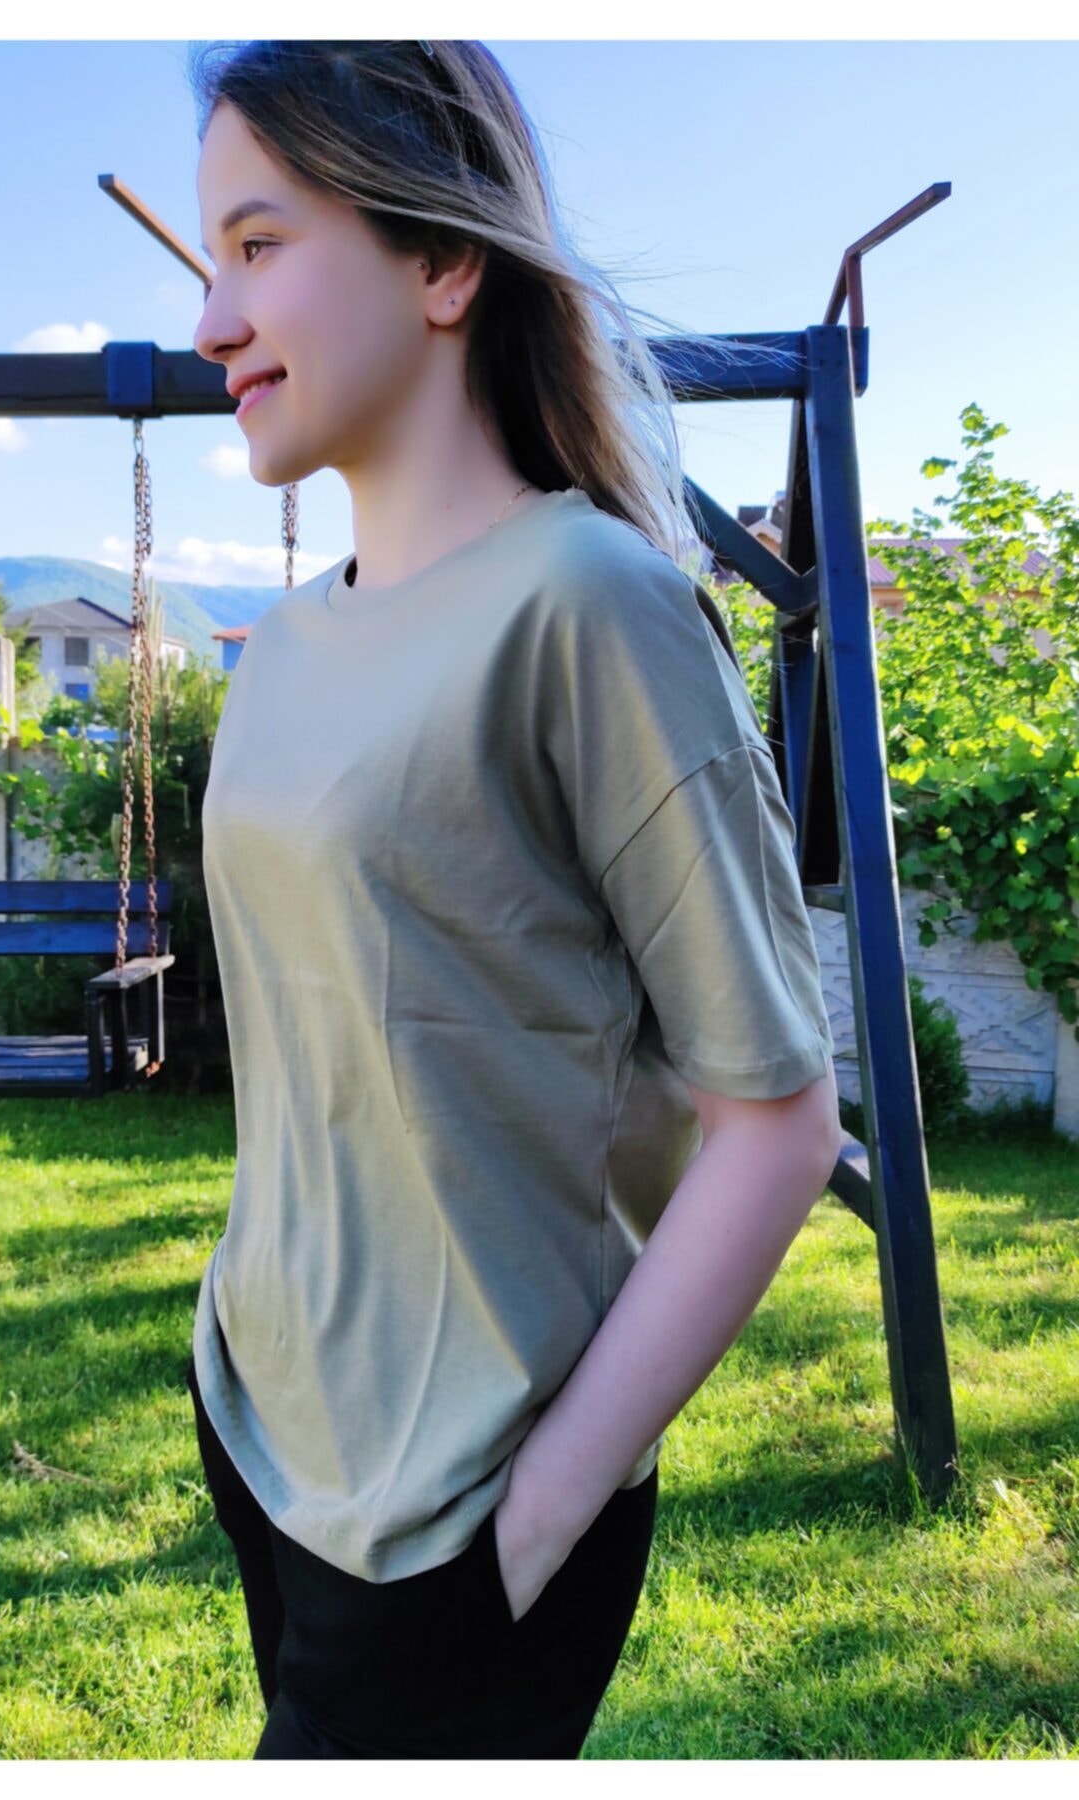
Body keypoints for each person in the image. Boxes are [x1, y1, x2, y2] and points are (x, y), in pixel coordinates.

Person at [185, 38, 841, 1761]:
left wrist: (535, 1518)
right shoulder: (283, 648)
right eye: (207, 262)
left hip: (464, 1515)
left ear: (442, 262)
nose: (211, 320)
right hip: (268, 1425)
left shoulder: (590, 604)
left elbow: (777, 1121)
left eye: (258, 247)